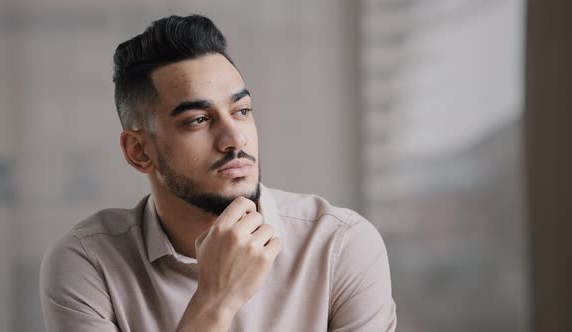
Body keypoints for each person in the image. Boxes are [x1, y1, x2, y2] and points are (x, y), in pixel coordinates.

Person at [39, 14, 397, 332]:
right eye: (198, 120)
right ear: (139, 151)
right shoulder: (87, 263)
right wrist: (215, 302)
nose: (234, 138)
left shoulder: (340, 245)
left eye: (241, 111)